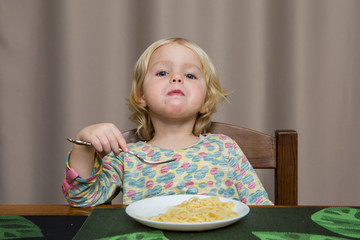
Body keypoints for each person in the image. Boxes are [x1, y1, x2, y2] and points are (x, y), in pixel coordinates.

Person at [62, 37, 273, 207]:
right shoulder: (127, 156)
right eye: (163, 73)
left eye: (190, 75)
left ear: (206, 102)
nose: (177, 78)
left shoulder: (226, 148)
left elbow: (261, 208)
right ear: (141, 96)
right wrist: (83, 143)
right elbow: (81, 198)